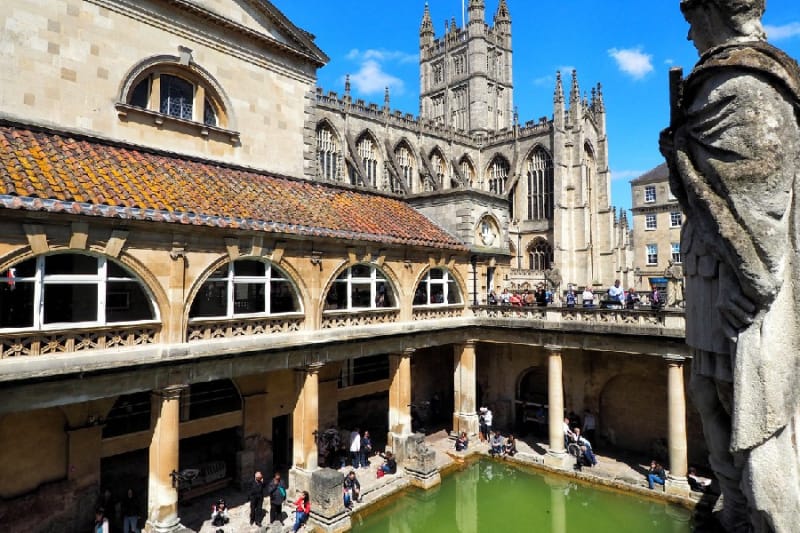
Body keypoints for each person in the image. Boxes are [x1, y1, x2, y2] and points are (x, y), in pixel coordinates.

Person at [660, 1, 800, 529]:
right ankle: (736, 507)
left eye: (694, 17)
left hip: (735, 288)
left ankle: (748, 513)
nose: (690, 30)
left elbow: (758, 198)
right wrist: (680, 153)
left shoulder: (744, 84)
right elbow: (710, 189)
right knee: (709, 394)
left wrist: (754, 278)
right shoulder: (719, 86)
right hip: (710, 277)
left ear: (718, 12)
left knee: (734, 403)